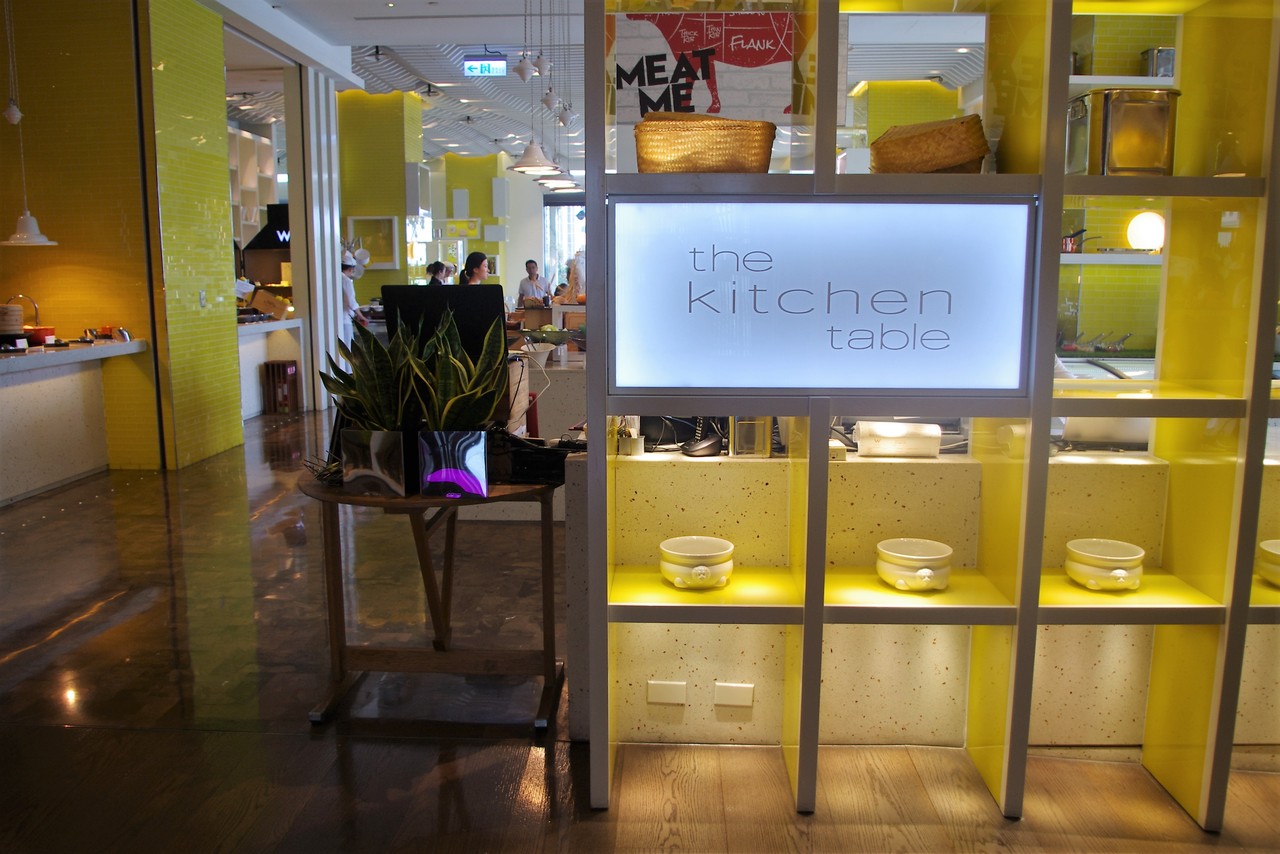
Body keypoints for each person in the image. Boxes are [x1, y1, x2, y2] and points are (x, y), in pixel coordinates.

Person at [339, 250, 368, 343]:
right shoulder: (346, 280)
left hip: (337, 318)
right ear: (350, 269)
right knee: (348, 346)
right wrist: (361, 316)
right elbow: (351, 302)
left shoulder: (335, 278)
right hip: (345, 318)